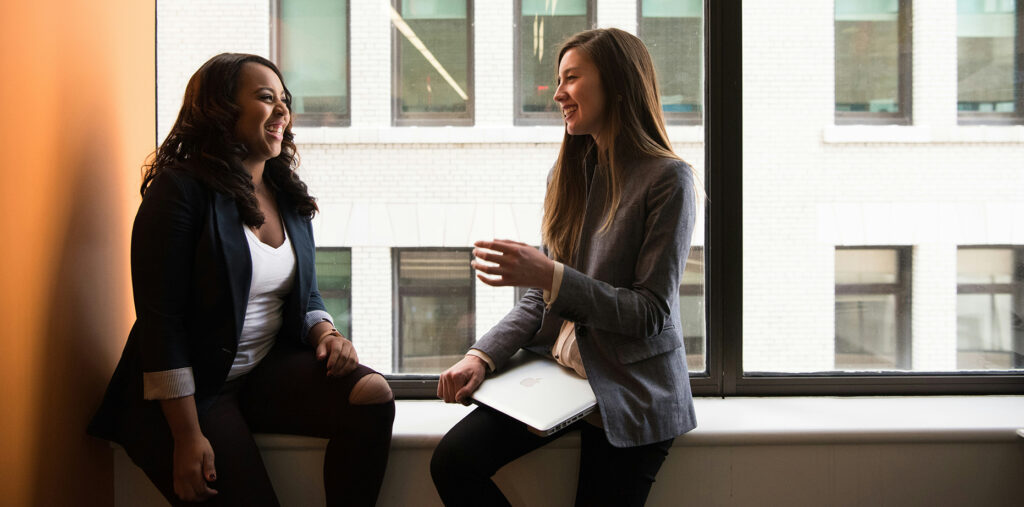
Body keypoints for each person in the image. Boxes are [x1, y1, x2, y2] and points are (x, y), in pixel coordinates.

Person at [88, 53, 394, 507]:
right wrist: (186, 438)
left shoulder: (285, 192)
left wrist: (326, 331)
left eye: (285, 101)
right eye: (266, 98)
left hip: (256, 372)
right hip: (188, 397)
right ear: (220, 109)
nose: (282, 111)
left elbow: (303, 292)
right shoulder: (179, 192)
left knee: (372, 396)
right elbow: (162, 324)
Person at [430, 28, 699, 507]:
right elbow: (541, 297)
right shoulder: (569, 173)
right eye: (559, 80)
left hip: (632, 391)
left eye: (571, 78)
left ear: (617, 84)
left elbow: (649, 313)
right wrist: (481, 356)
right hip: (563, 379)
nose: (557, 94)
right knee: (452, 462)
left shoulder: (668, 179)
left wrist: (549, 276)